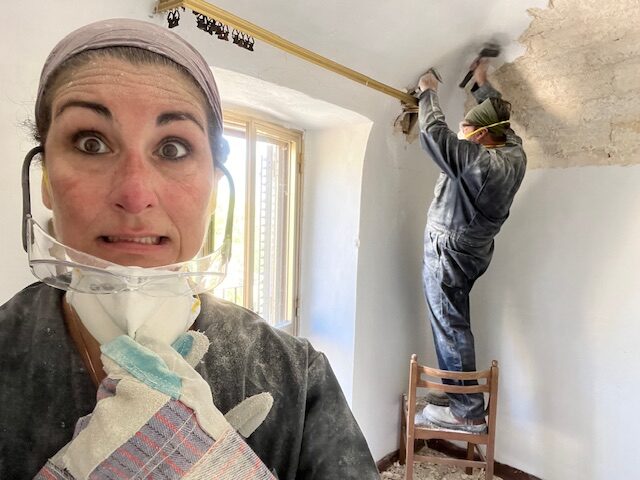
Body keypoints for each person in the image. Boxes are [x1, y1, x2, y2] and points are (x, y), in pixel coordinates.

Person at [0, 19, 379, 479]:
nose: (135, 193)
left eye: (174, 148)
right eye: (91, 143)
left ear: (214, 188)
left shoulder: (297, 381)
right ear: (44, 178)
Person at [416, 59, 526, 431]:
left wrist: (428, 91)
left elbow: (435, 136)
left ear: (480, 138)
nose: (463, 135)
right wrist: (481, 85)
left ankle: (467, 413)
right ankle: (458, 389)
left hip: (449, 252)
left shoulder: (482, 164)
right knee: (452, 320)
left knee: (450, 323)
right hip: (474, 249)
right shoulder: (514, 152)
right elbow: (501, 120)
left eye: (467, 131)